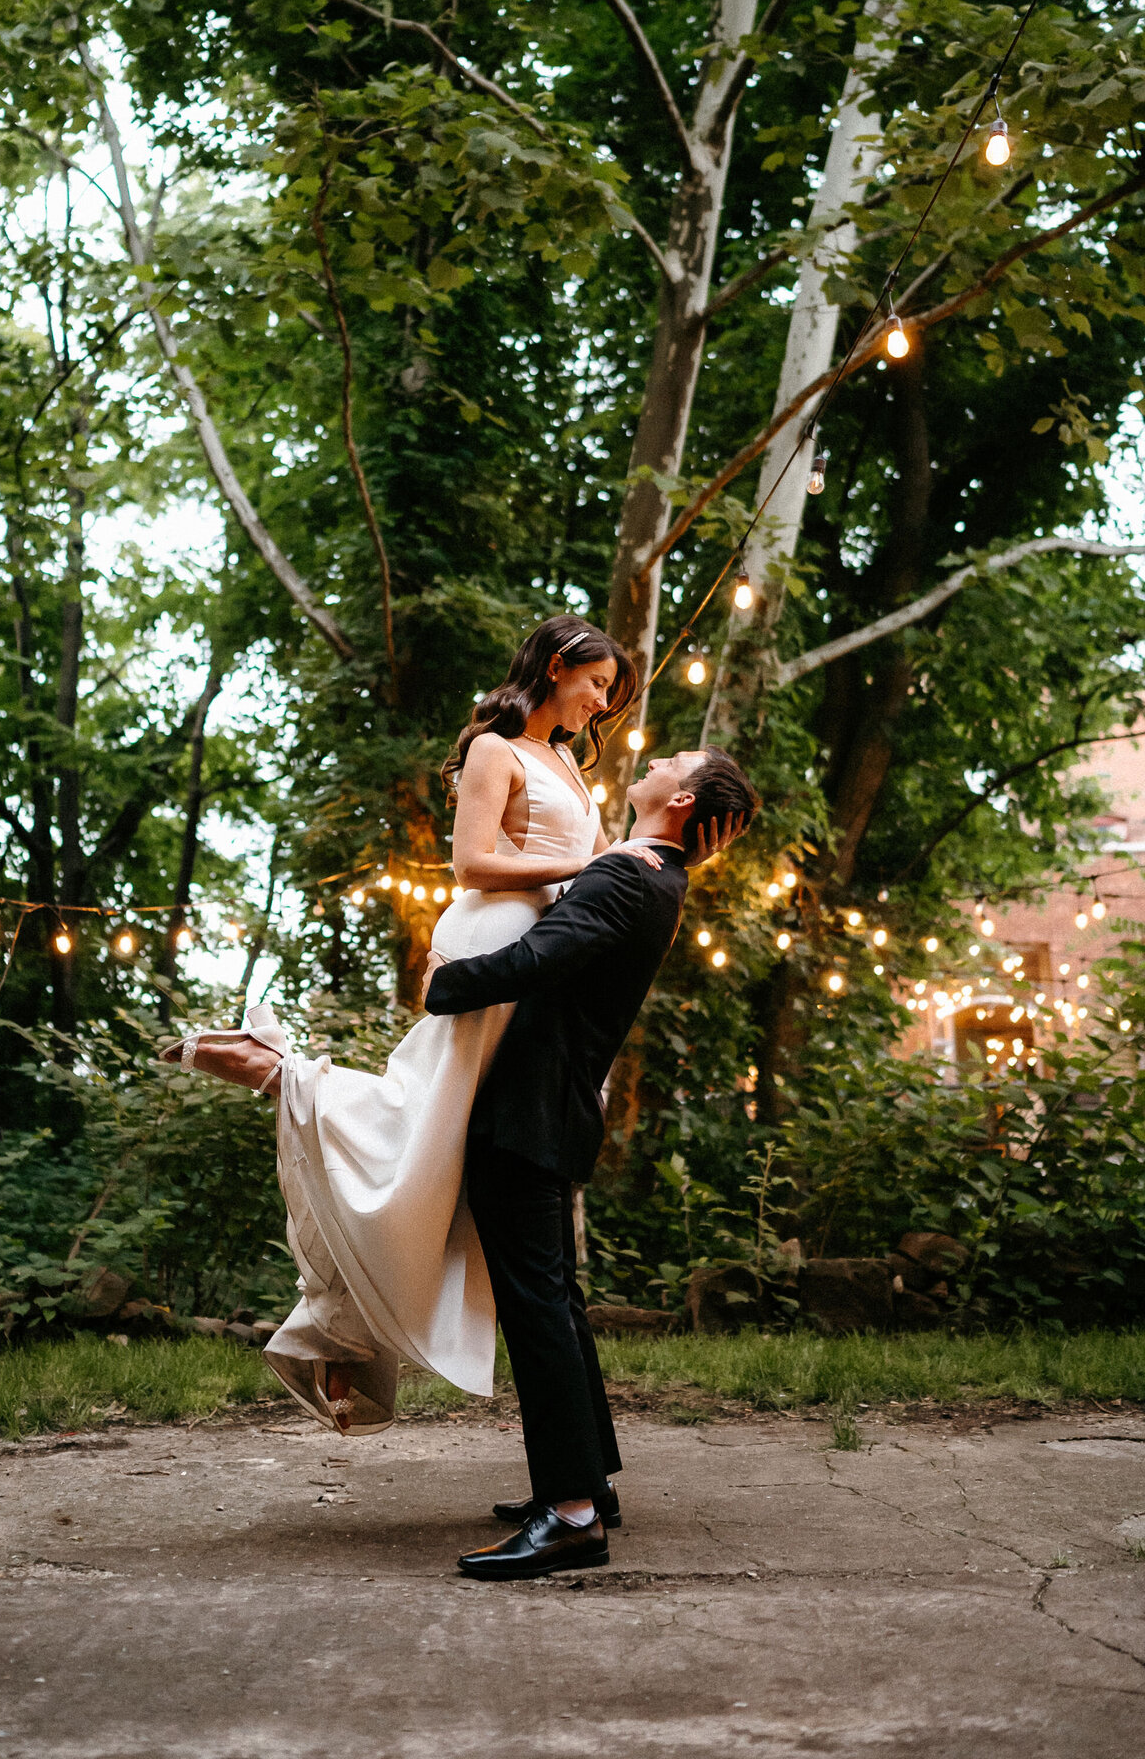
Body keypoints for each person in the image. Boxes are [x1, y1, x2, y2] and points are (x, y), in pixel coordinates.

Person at [164, 616, 715, 1435]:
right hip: (490, 942)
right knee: (424, 1125)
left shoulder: (567, 762)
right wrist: (587, 864)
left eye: (611, 695)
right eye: (598, 685)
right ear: (558, 666)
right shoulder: (498, 750)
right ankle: (287, 1076)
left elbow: (614, 869)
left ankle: (343, 1330)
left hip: (533, 956)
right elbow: (472, 863)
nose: (603, 706)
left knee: (446, 1156)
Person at [420, 742, 760, 1580]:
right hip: (559, 1108)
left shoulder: (629, 875)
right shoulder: (654, 877)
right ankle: (592, 1484)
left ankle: (569, 1516)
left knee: (537, 1309)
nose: (658, 757)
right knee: (557, 1302)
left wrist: (444, 984)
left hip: (530, 1109)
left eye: (677, 758)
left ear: (681, 801)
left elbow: (539, 961)